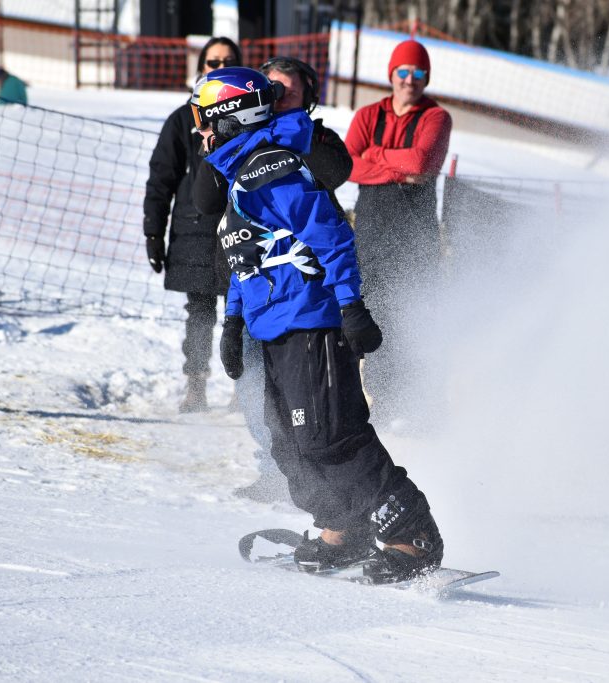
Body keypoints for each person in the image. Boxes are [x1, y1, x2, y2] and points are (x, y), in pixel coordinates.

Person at [191, 66, 444, 582]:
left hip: (311, 322)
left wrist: (352, 306)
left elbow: (332, 236)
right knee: (289, 442)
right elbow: (247, 257)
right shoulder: (241, 173)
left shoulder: (271, 168)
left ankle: (412, 536)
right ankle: (342, 529)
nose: (198, 132)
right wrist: (233, 325)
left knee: (332, 435)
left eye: (203, 120)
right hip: (273, 327)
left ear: (228, 118)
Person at [224, 55, 354, 502]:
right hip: (253, 284)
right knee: (259, 390)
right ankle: (279, 471)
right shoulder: (239, 148)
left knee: (316, 406)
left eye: (286, 90)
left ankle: (329, 492)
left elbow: (337, 172)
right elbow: (206, 201)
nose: (275, 97)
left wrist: (291, 129)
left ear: (309, 96)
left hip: (303, 294)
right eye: (268, 90)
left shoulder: (312, 139)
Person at [344, 39, 452, 424]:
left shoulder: (436, 118)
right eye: (403, 72)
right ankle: (377, 400)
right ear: (391, 74)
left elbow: (423, 163)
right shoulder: (368, 115)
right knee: (371, 314)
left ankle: (411, 403)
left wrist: (375, 156)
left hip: (414, 238)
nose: (410, 80)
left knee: (410, 316)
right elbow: (347, 165)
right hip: (371, 232)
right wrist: (396, 168)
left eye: (418, 73)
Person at [143, 36, 240, 413]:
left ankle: (241, 390)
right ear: (201, 67)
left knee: (243, 314)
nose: (218, 68)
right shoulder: (184, 119)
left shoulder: (252, 115)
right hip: (195, 229)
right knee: (199, 315)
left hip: (238, 226)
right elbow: (161, 178)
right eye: (212, 62)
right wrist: (154, 230)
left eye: (227, 62)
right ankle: (196, 387)